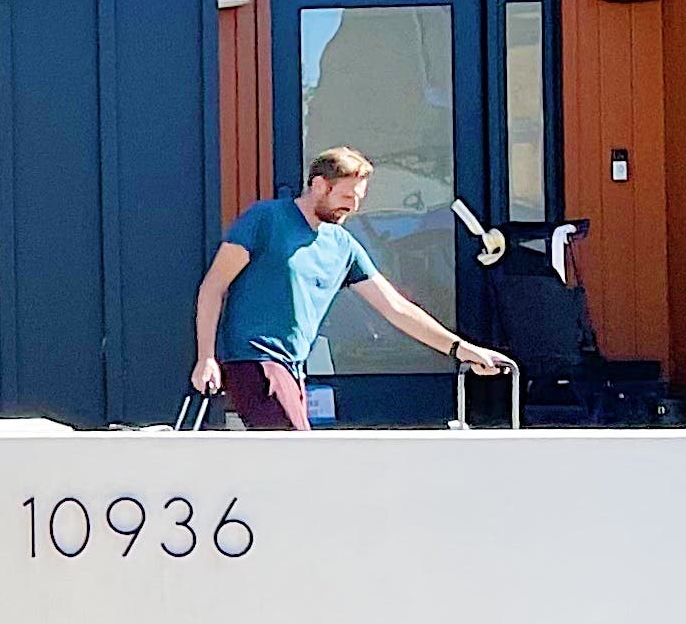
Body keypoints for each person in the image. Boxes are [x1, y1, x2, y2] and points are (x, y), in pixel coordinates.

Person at [191, 146, 515, 430]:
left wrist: (460, 349)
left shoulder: (343, 245)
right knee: (296, 463)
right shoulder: (265, 220)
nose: (353, 207)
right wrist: (206, 358)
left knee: (286, 472)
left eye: (358, 199)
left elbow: (397, 308)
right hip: (255, 363)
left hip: (294, 369)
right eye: (346, 196)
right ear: (319, 185)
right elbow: (212, 287)